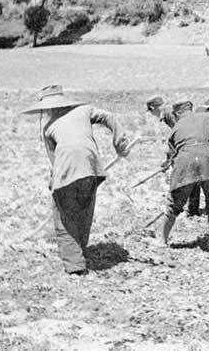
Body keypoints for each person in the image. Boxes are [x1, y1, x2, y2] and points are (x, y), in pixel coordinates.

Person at [21, 85, 130, 275]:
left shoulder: (48, 128)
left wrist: (54, 181)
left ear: (47, 107)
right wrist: (119, 142)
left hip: (67, 172)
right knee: (84, 209)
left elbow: (54, 160)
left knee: (64, 217)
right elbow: (109, 117)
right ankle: (80, 251)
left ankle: (75, 266)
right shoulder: (84, 110)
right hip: (91, 169)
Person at [162, 101, 209, 251]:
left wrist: (169, 167)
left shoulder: (176, 128)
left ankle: (162, 240)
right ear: (191, 109)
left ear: (176, 114)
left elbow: (171, 154)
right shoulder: (206, 116)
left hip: (185, 162)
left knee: (174, 204)